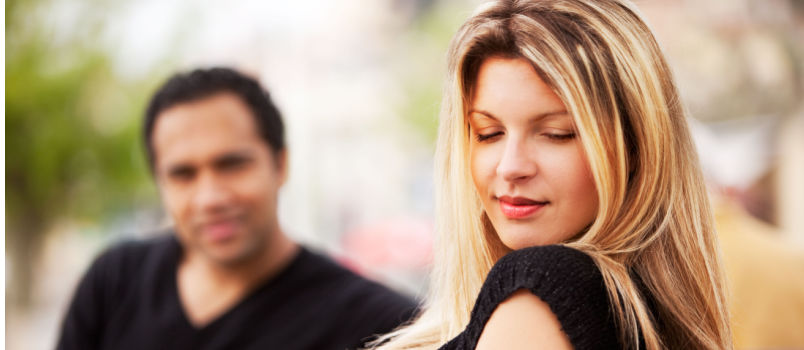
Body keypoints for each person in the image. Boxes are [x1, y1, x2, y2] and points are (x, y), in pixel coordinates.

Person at [372, 0, 732, 349]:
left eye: (556, 134)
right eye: (488, 133)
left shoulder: (540, 291)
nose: (511, 166)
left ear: (635, 146)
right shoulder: (636, 311)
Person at [56, 67, 416, 350]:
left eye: (232, 164)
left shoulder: (383, 327)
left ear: (281, 164)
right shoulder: (115, 283)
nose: (210, 197)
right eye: (183, 174)